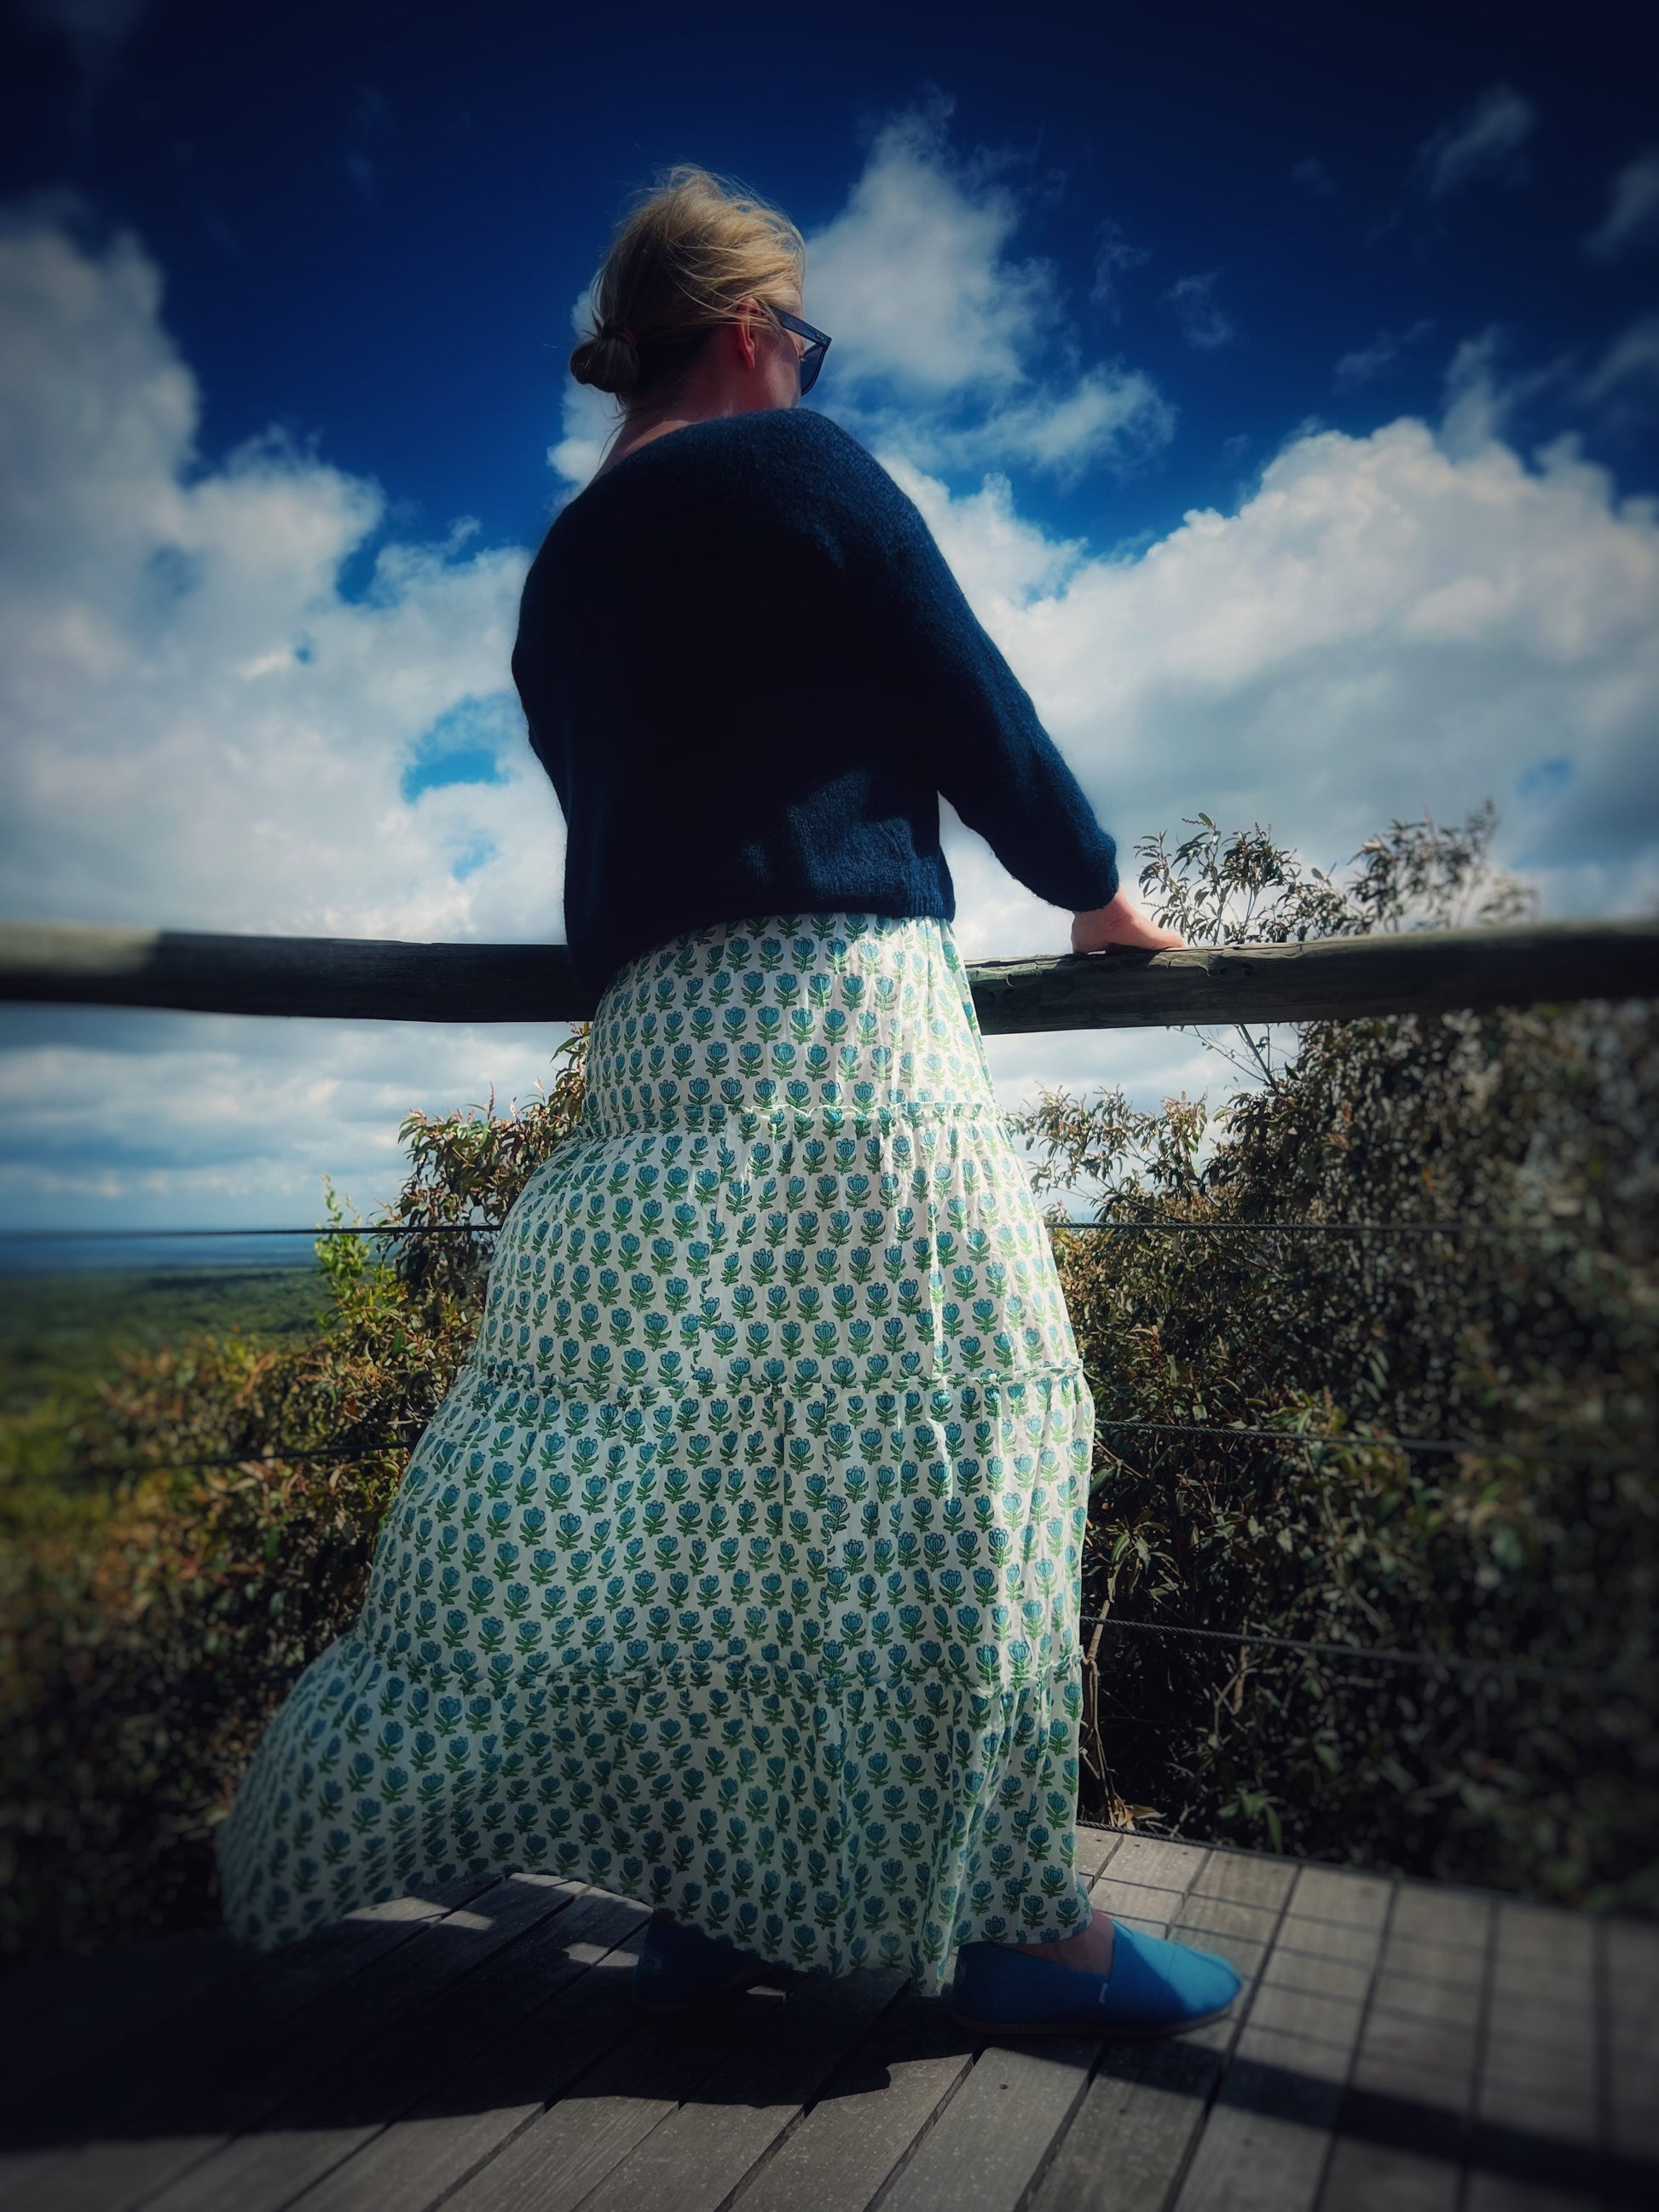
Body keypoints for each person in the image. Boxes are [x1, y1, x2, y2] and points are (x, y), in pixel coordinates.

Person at [216, 166, 1240, 2040]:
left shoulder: (563, 565)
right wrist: (1098, 893)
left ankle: (727, 1887)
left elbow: (610, 799)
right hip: (848, 1035)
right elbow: (972, 709)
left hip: (658, 1043)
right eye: (806, 336)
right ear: (760, 329)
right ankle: (1015, 1916)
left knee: (700, 1468)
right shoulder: (806, 473)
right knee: (970, 1441)